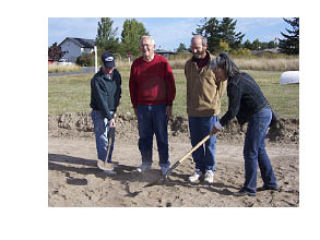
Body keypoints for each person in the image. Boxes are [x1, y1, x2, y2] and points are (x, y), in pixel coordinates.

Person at [210, 52, 278, 196]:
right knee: (259, 150)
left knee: (249, 152)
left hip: (259, 115)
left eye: (216, 72)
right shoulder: (242, 76)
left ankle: (249, 188)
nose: (216, 76)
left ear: (223, 68)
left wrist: (218, 125)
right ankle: (271, 183)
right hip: (265, 113)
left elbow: (233, 111)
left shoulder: (234, 84)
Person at [129, 36, 176, 176]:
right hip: (142, 107)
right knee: (144, 137)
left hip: (160, 107)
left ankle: (164, 164)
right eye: (143, 45)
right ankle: (146, 163)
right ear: (140, 48)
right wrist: (135, 106)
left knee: (162, 137)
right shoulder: (136, 64)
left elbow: (171, 84)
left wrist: (169, 103)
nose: (145, 48)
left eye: (148, 45)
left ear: (154, 46)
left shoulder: (162, 62)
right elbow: (132, 86)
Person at [184, 35, 226, 184]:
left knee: (210, 143)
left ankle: (209, 170)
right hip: (193, 111)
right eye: (192, 47)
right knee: (195, 143)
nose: (194, 50)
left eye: (197, 47)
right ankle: (198, 169)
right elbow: (189, 85)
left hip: (210, 112)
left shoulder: (216, 63)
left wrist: (214, 104)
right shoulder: (188, 65)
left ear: (205, 46)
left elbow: (221, 86)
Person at [90, 52, 121, 175]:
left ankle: (108, 160)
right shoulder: (97, 80)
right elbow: (102, 101)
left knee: (111, 138)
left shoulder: (116, 75)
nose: (110, 69)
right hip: (100, 112)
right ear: (102, 64)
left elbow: (118, 91)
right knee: (102, 138)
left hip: (111, 111)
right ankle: (103, 164)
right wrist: (109, 117)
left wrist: (115, 108)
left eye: (112, 66)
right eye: (107, 67)